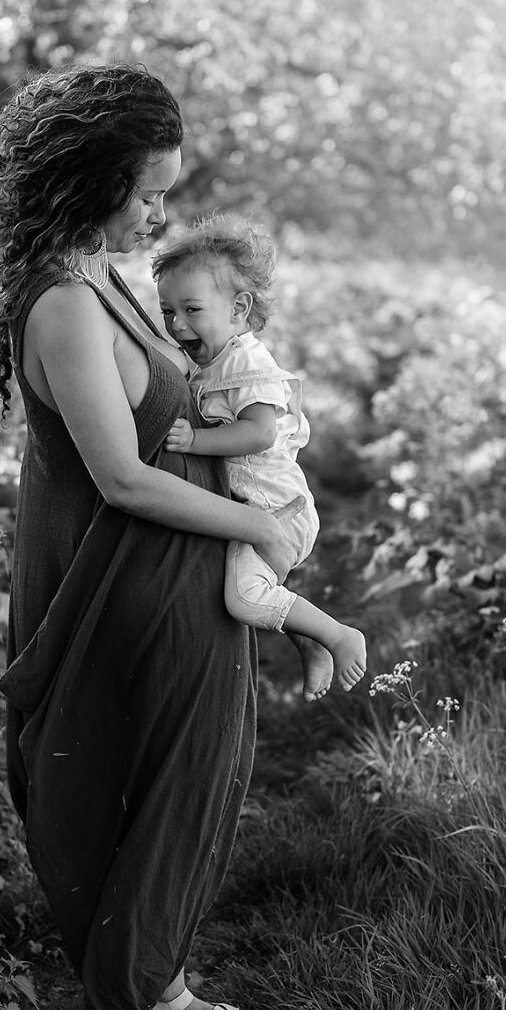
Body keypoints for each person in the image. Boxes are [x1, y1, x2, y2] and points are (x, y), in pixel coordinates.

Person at [0, 64, 303, 1010]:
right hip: (118, 588)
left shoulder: (104, 274)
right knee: (149, 793)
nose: (160, 211)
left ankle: (158, 983)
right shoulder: (62, 308)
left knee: (189, 785)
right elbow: (123, 476)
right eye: (146, 190)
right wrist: (259, 524)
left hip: (173, 584)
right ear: (90, 180)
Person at [153, 215, 367, 701]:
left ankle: (338, 635)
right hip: (256, 508)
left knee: (245, 600)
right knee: (260, 585)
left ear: (238, 308)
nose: (177, 324)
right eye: (168, 311)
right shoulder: (215, 360)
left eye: (191, 309)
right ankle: (310, 643)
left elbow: (259, 433)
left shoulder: (246, 362)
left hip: (276, 511)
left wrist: (196, 443)